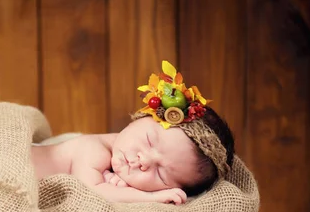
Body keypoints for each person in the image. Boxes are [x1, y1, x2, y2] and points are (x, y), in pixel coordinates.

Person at [31, 61, 235, 204]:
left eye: (161, 174)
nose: (144, 161)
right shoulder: (92, 150)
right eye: (149, 141)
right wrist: (150, 198)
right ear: (141, 117)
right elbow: (92, 194)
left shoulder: (110, 167)